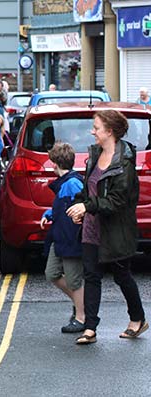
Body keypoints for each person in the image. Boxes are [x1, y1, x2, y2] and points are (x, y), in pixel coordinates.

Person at [66, 110, 148, 344]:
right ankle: (90, 329)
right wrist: (79, 206)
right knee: (91, 276)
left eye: (96, 128)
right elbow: (88, 190)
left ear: (109, 131)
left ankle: (138, 319)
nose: (92, 131)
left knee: (122, 275)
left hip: (115, 230)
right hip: (92, 227)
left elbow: (117, 201)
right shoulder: (95, 155)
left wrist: (86, 207)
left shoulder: (124, 163)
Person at [39, 142, 85, 333]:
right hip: (59, 238)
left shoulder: (73, 183)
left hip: (71, 239)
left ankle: (82, 317)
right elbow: (63, 207)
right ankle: (80, 302)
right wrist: (49, 214)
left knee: (74, 280)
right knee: (52, 273)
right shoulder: (66, 182)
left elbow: (81, 207)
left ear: (55, 163)